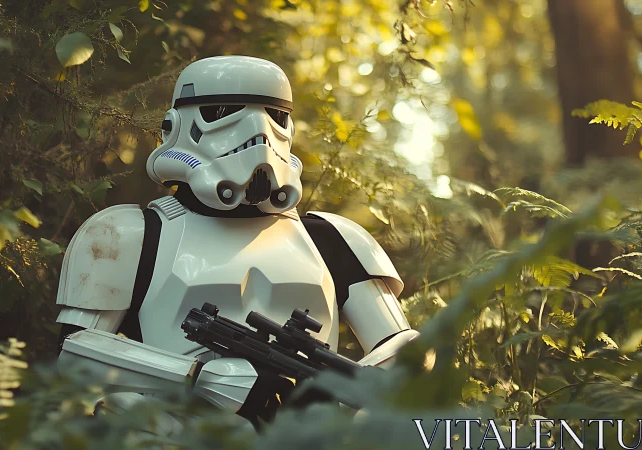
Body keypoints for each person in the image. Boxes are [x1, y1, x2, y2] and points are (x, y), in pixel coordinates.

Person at [54, 55, 419, 431]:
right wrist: (199, 377)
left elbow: (410, 348)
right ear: (176, 127)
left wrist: (354, 389)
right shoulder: (129, 234)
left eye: (275, 117)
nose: (258, 135)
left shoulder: (333, 238)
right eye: (222, 112)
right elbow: (76, 355)